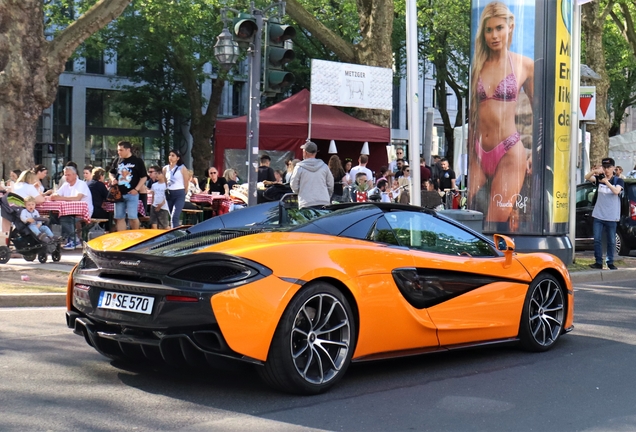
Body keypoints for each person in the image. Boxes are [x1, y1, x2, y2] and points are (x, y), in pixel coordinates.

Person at [468, 1, 534, 225]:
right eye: (489, 29)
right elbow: (472, 114)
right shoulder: (477, 65)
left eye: (499, 28)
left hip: (509, 152)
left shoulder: (524, 65)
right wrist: (470, 150)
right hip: (478, 152)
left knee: (493, 224)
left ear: (511, 27)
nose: (494, 35)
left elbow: (540, 113)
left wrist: (535, 151)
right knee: (470, 218)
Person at [584, 157, 624, 270]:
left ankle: (610, 262)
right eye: (605, 167)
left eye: (609, 167)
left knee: (611, 241)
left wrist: (606, 182)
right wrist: (594, 171)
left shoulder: (618, 181)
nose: (606, 170)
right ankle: (598, 262)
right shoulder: (599, 179)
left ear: (613, 168)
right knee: (597, 239)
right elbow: (586, 177)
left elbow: (616, 191)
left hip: (611, 216)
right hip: (598, 215)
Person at [108, 140, 148, 232]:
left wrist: (136, 189)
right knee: (119, 217)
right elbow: (111, 172)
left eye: (121, 150)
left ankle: (135, 234)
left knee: (132, 217)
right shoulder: (117, 160)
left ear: (128, 149)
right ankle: (123, 238)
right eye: (118, 150)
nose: (119, 152)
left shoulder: (137, 161)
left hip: (132, 193)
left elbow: (144, 177)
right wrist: (113, 179)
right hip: (119, 193)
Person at [51, 166, 93, 250]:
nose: (66, 177)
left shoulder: (81, 184)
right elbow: (55, 195)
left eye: (68, 175)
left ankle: (75, 240)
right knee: (53, 217)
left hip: (83, 212)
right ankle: (60, 238)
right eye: (65, 175)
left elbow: (77, 198)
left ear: (75, 175)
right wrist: (56, 196)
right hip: (68, 211)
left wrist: (60, 198)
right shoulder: (65, 185)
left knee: (65, 219)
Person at [290, 141, 334, 209]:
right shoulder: (324, 167)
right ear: (315, 153)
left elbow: (293, 185)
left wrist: (301, 192)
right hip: (323, 201)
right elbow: (330, 184)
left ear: (305, 152)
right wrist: (327, 195)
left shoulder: (299, 167)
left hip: (306, 202)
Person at [163, 149, 189, 228]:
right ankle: (174, 231)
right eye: (170, 155)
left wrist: (184, 192)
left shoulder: (182, 168)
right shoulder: (165, 168)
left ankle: (175, 235)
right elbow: (165, 181)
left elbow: (186, 182)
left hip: (179, 193)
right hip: (169, 193)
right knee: (171, 215)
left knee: (175, 216)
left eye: (173, 155)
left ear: (178, 158)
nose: (170, 157)